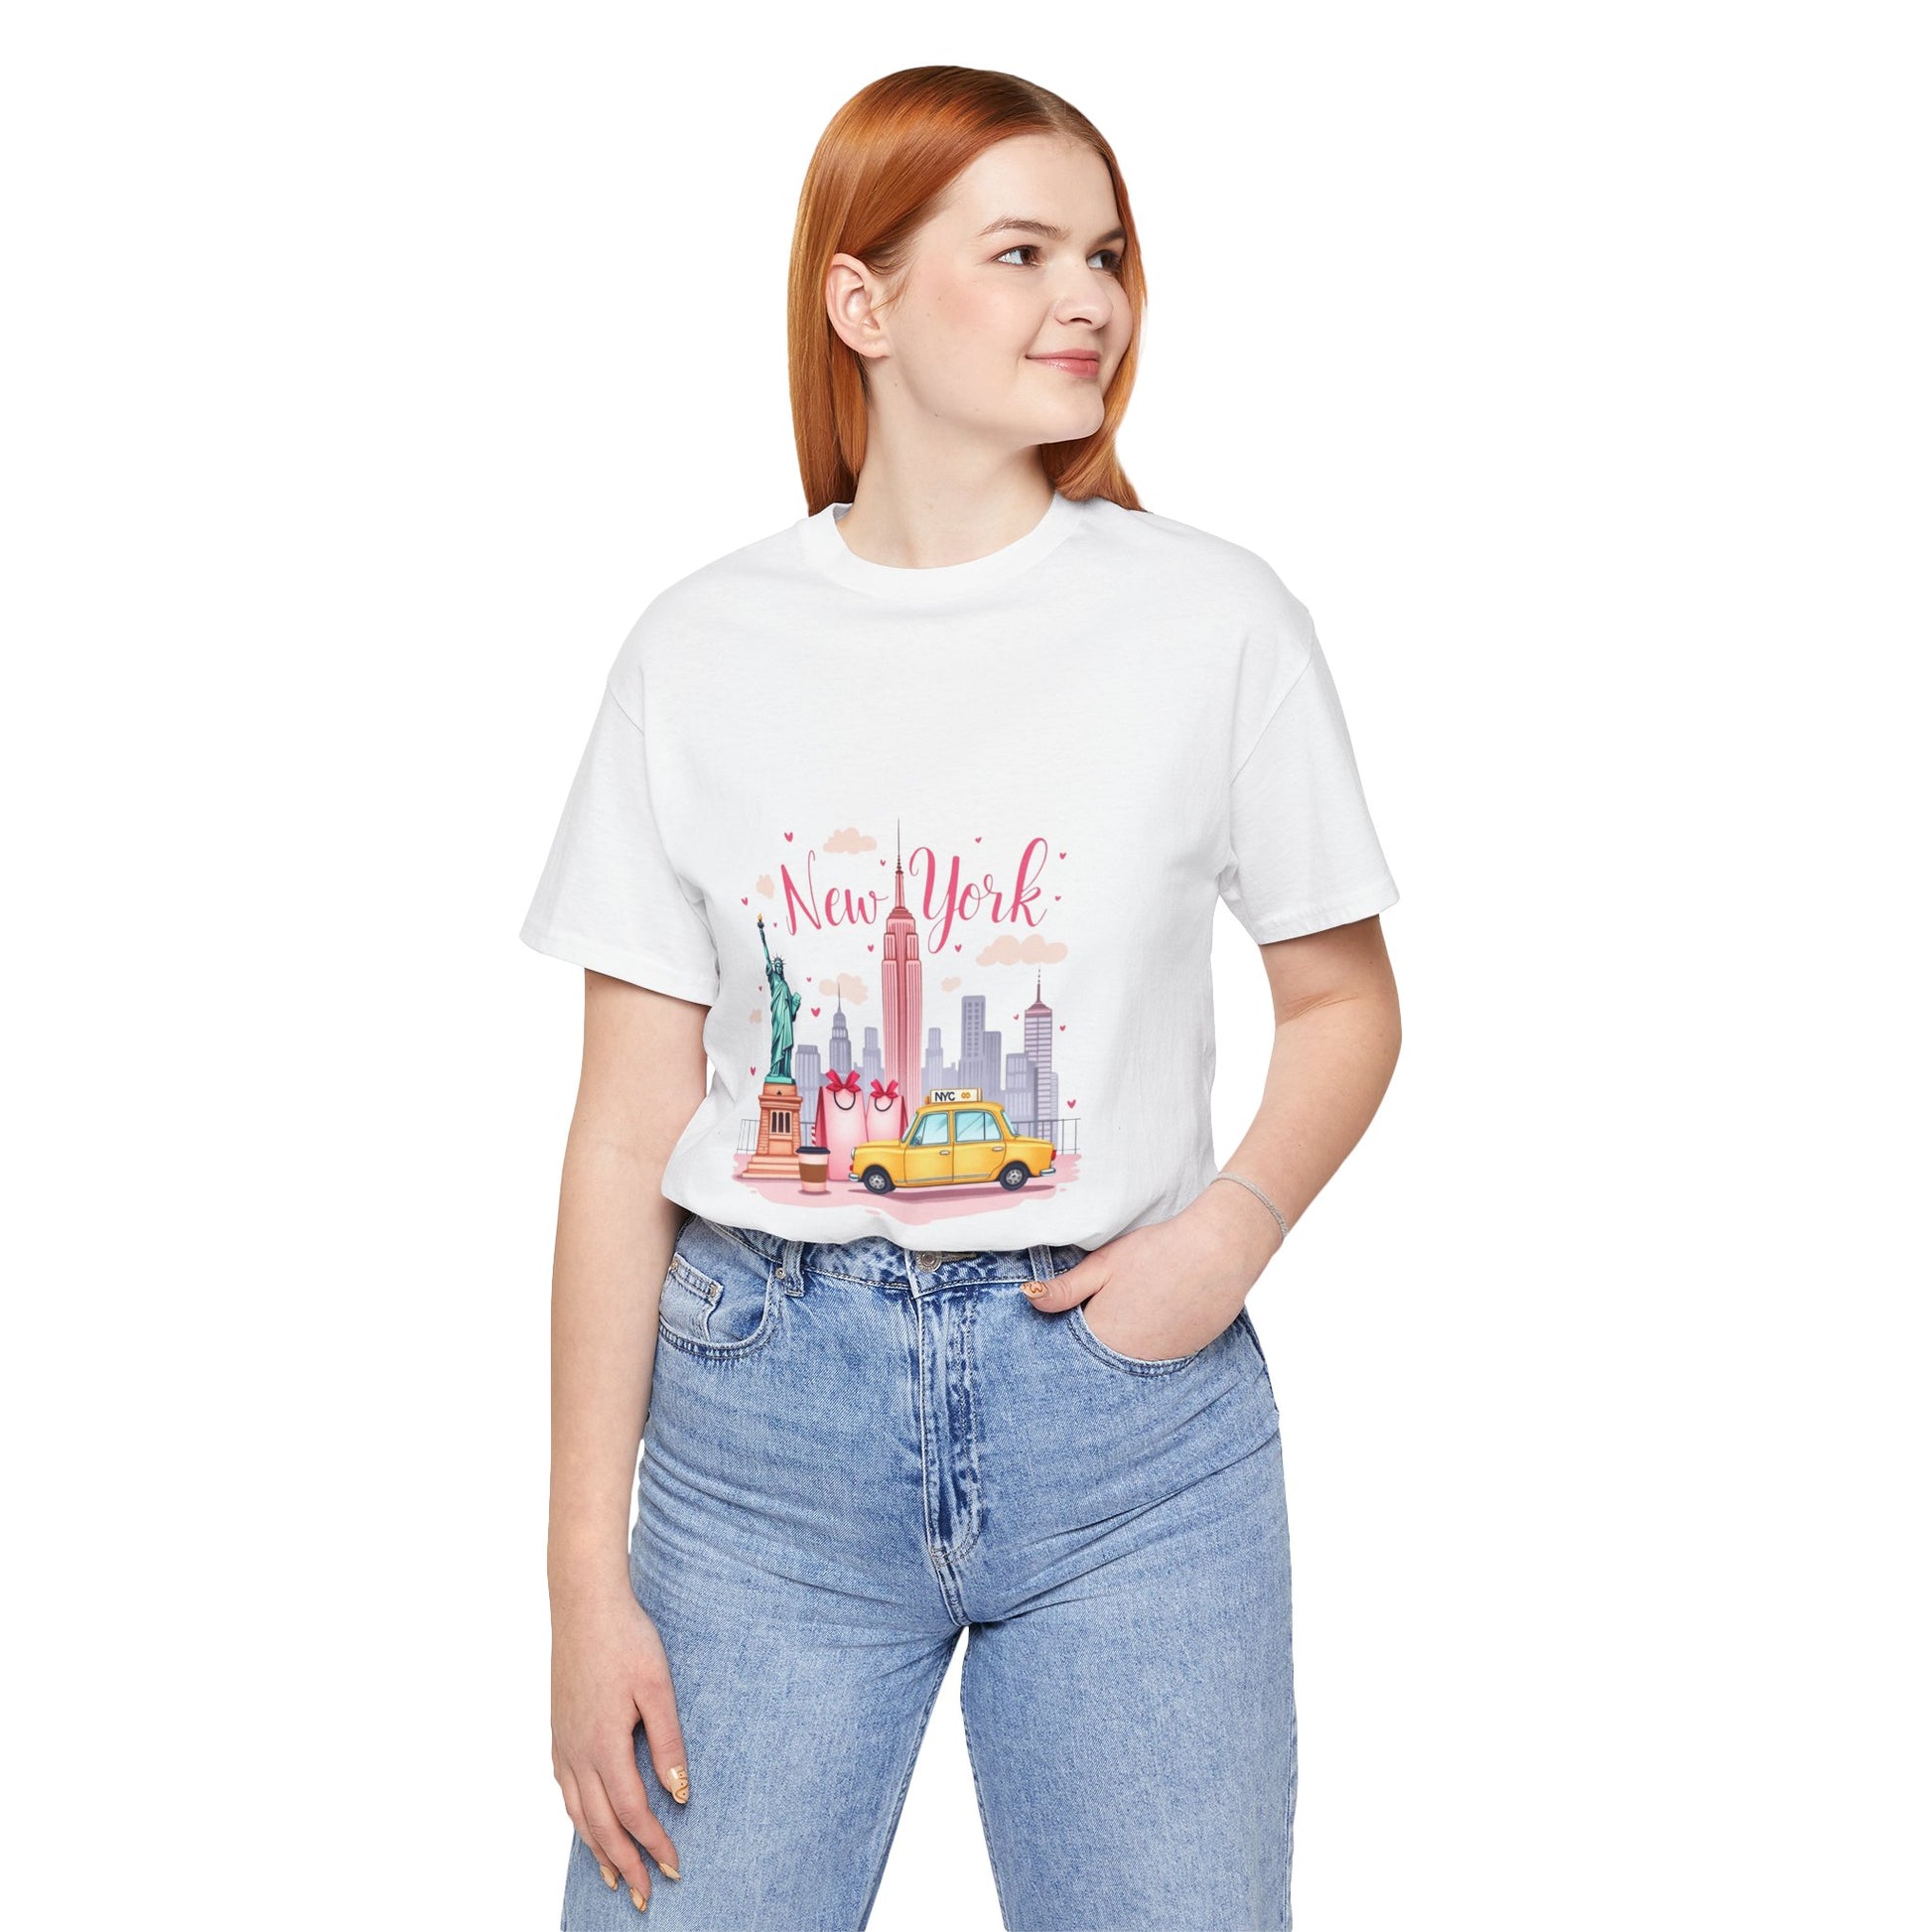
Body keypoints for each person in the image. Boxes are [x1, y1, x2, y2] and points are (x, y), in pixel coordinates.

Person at [522, 65, 1402, 1932]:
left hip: (1129, 1434)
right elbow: (618, 1134)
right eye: (1020, 254)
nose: (1087, 299)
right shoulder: (700, 648)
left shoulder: (1215, 621)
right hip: (757, 1441)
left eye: (1106, 255)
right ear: (863, 301)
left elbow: (1342, 1002)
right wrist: (582, 1584)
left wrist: (1227, 1232)